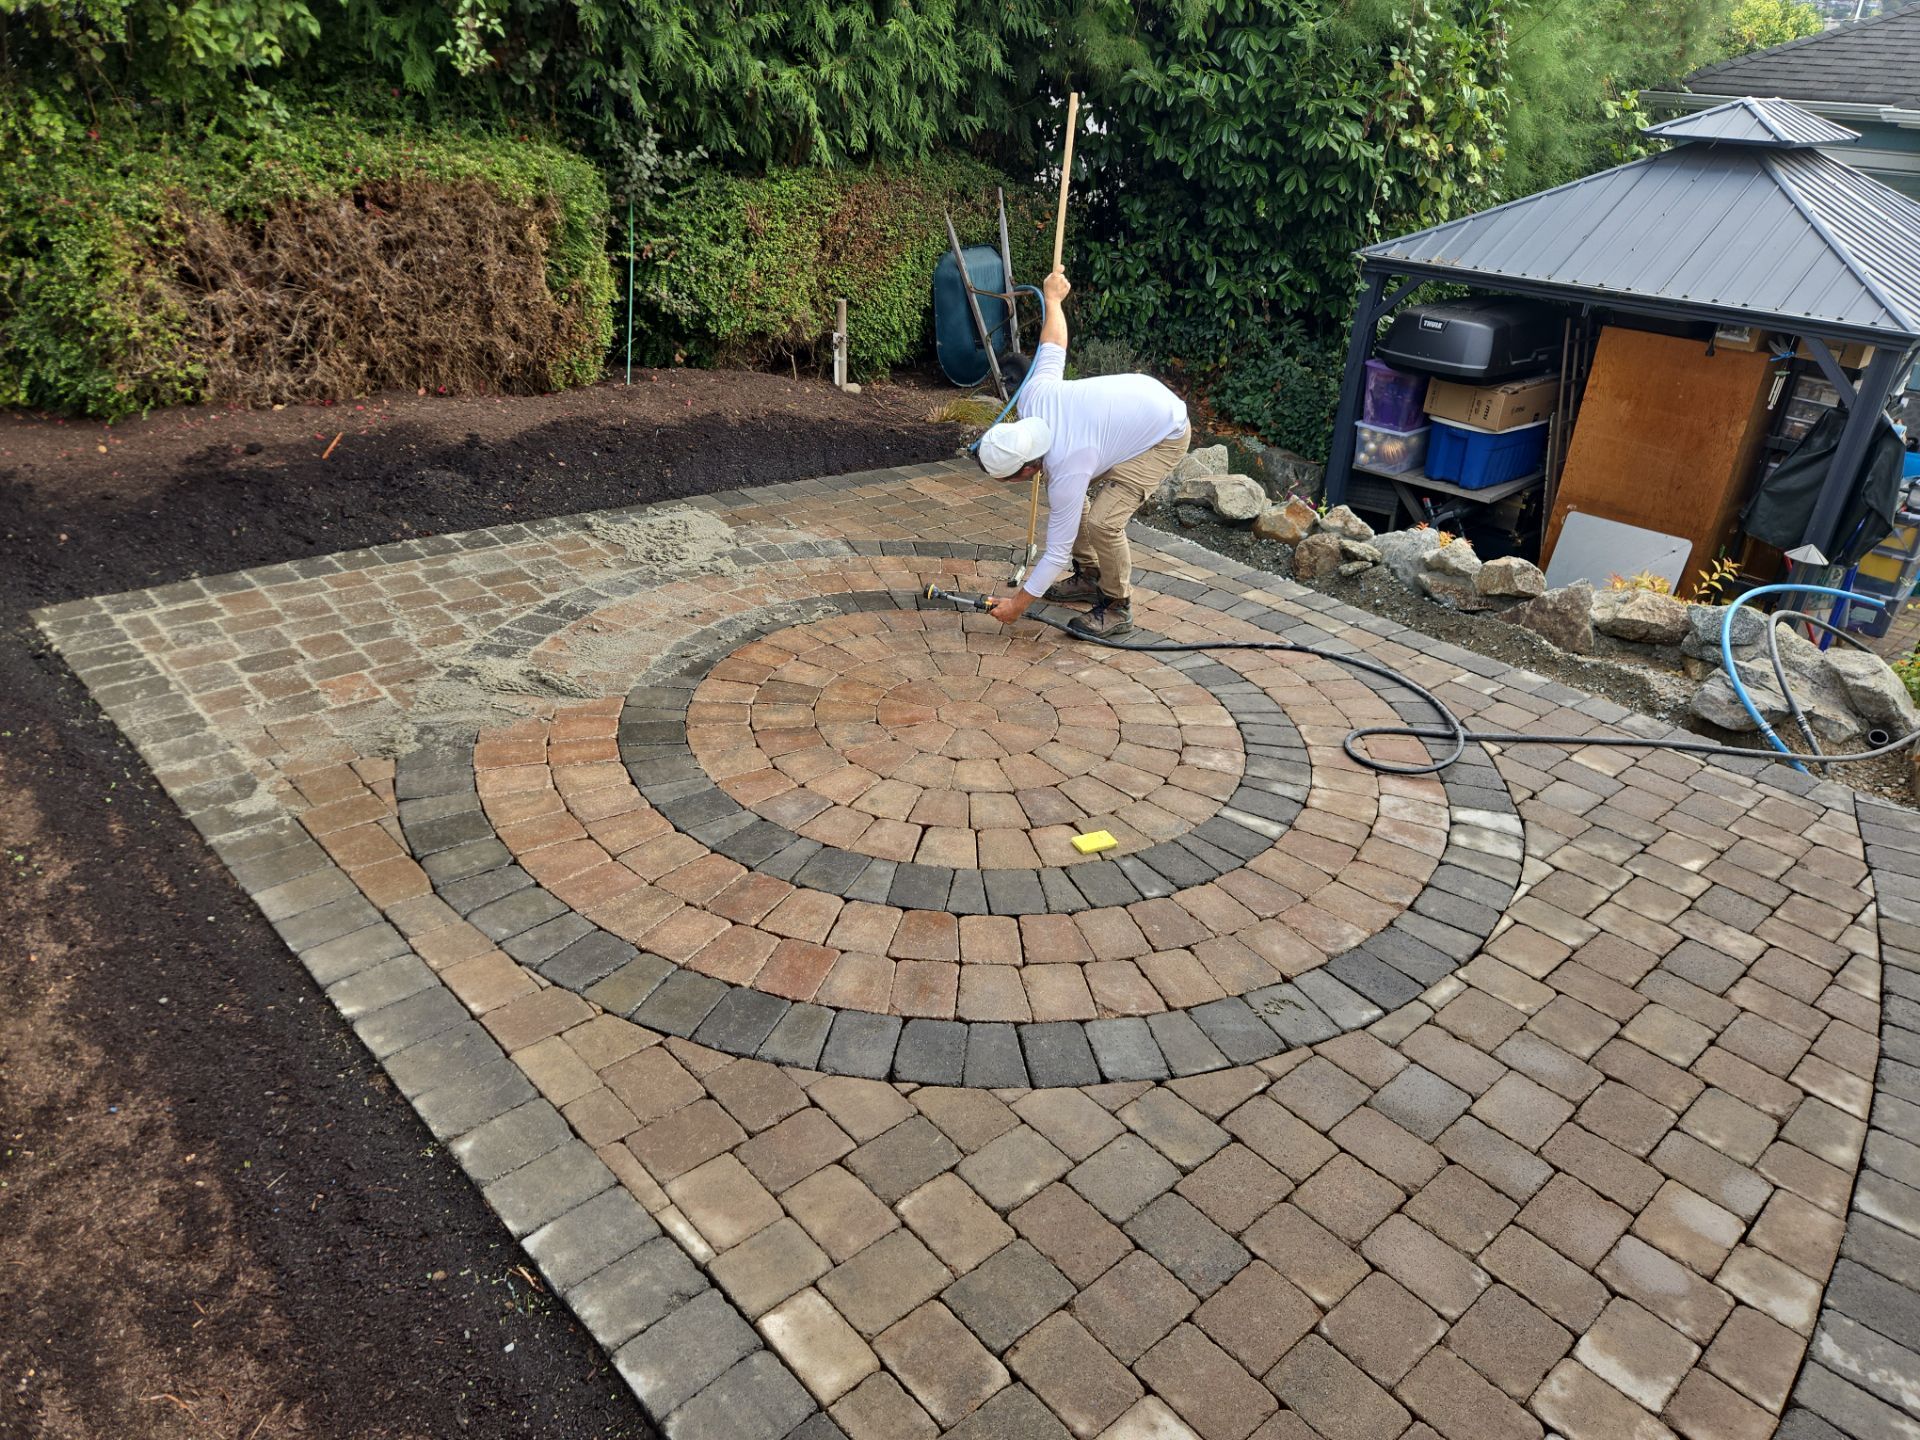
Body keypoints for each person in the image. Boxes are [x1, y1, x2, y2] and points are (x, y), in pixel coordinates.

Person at [973, 270, 1190, 639]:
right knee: (1068, 503)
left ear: (1023, 470)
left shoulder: (1068, 465)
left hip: (1164, 433)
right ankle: (1090, 575)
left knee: (1104, 522)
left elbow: (1055, 552)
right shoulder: (1032, 398)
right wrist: (1053, 299)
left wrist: (1017, 606)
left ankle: (1118, 605)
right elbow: (1054, 342)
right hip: (1134, 411)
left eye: (1008, 479)